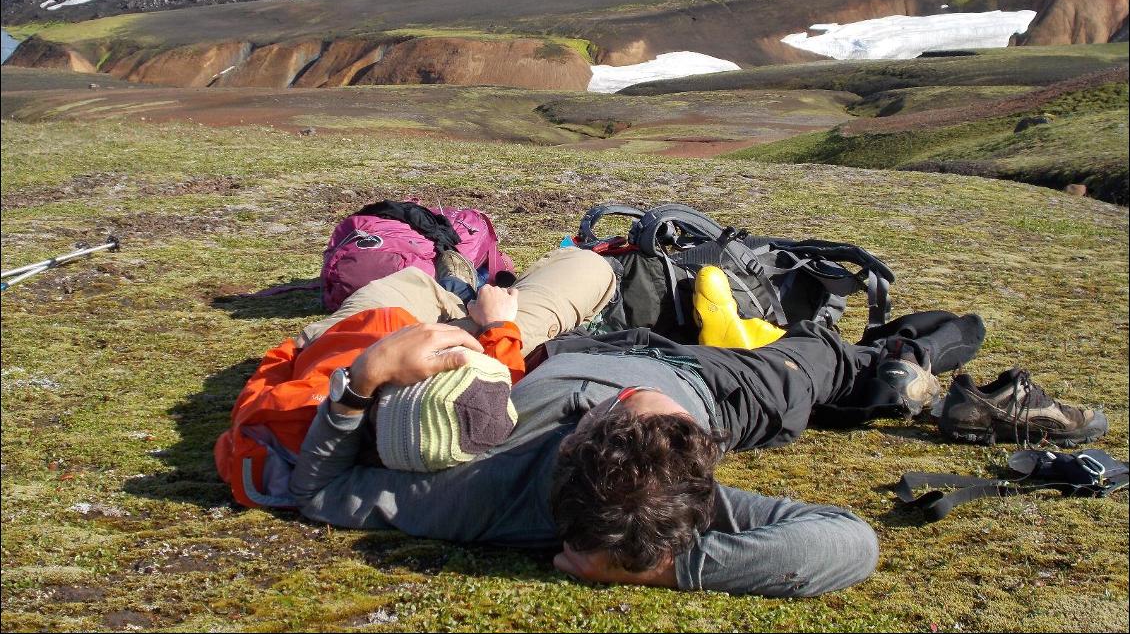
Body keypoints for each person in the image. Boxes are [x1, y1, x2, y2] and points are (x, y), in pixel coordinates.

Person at [288, 246, 949, 596]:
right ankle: (884, 363)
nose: (628, 395)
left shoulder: (477, 494)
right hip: (715, 389)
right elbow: (850, 542)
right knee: (812, 358)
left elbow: (316, 490)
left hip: (583, 348)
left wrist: (359, 383)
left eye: (619, 405)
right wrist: (669, 568)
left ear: (571, 441)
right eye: (641, 406)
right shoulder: (686, 505)